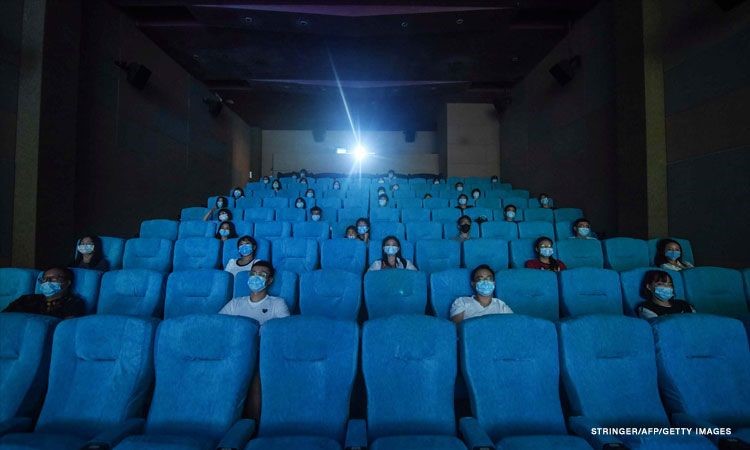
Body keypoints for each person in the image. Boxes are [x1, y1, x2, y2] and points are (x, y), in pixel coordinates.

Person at [219, 260, 289, 325]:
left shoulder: (278, 304)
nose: (256, 277)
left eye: (262, 275)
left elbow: (285, 328)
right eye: (253, 273)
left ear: (269, 280)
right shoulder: (234, 303)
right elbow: (219, 323)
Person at [3, 267, 85, 319]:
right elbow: (4, 317)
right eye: (44, 279)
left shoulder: (73, 302)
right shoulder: (26, 299)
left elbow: (66, 327)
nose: (47, 281)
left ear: (67, 283)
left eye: (54, 278)